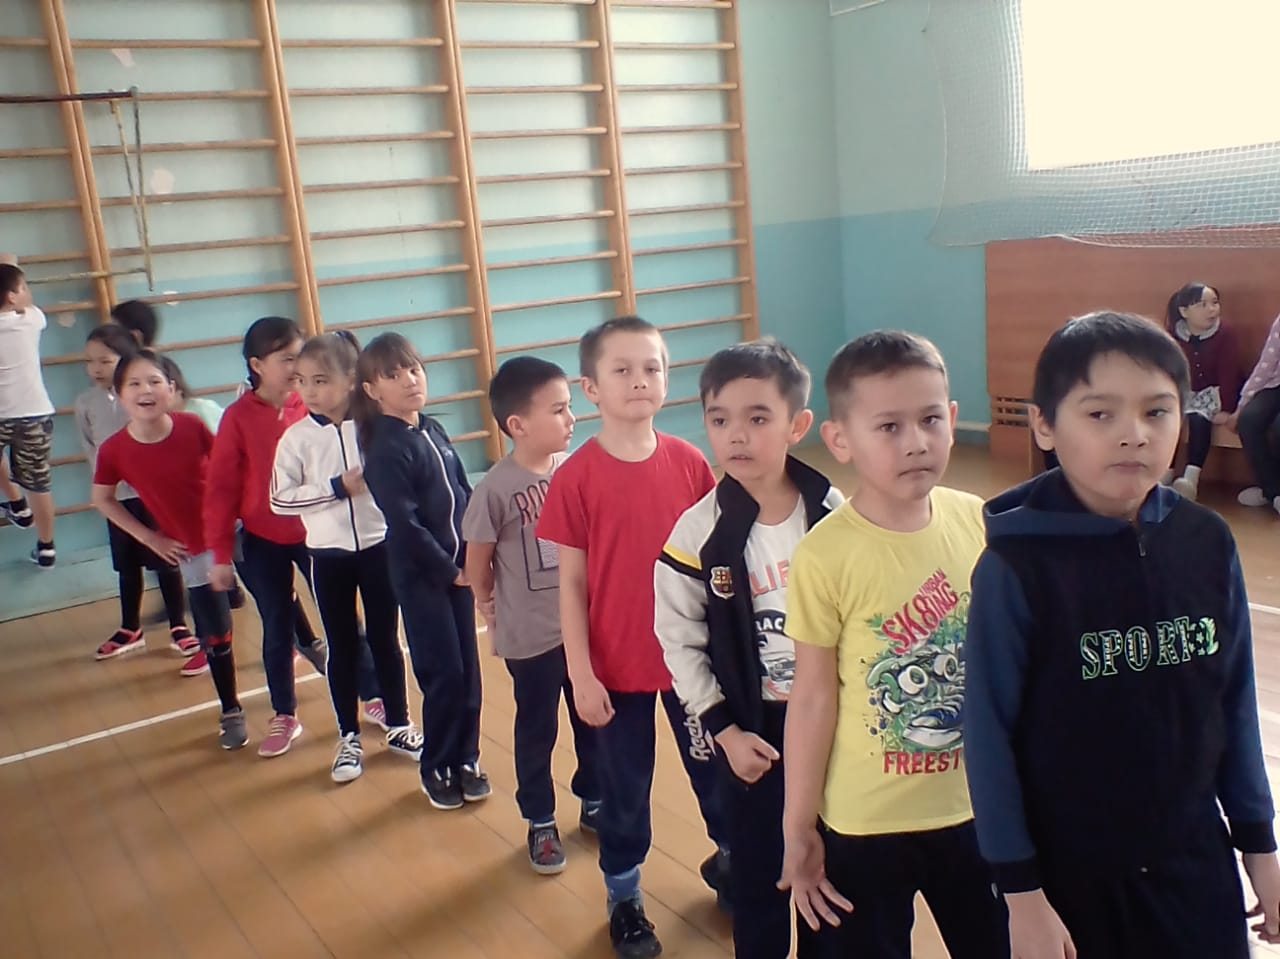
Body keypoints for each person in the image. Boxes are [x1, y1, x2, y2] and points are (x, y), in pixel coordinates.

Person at [965, 311, 1280, 958]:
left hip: (1195, 860)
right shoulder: (1015, 566)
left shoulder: (1205, 540)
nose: (1134, 434)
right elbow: (988, 736)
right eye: (1100, 414)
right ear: (1045, 425)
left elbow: (1233, 701)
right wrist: (1021, 892)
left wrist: (1259, 845)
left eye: (1156, 412)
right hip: (1071, 876)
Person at [781, 331, 1008, 959]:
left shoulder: (978, 521)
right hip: (864, 824)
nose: (916, 441)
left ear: (953, 419)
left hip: (976, 811)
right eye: (889, 427)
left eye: (931, 419)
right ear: (840, 440)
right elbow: (813, 698)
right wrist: (798, 825)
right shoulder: (824, 555)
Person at [537, 316, 729, 959]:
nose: (640, 380)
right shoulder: (576, 476)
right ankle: (624, 896)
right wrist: (580, 673)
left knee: (717, 776)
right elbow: (570, 585)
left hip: (691, 667)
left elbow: (713, 562)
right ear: (591, 388)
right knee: (624, 792)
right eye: (622, 369)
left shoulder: (690, 463)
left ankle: (734, 861)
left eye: (652, 367)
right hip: (614, 671)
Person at [655, 339, 843, 959]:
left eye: (758, 418)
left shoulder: (832, 513)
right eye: (719, 419)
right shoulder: (696, 532)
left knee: (831, 875)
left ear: (797, 425)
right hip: (752, 735)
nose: (736, 435)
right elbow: (678, 639)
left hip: (832, 727)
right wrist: (725, 729)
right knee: (759, 880)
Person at [462, 356, 599, 874]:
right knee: (537, 730)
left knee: (592, 721)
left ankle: (595, 798)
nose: (571, 419)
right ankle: (540, 818)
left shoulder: (575, 470)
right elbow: (476, 561)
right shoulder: (496, 488)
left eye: (569, 407)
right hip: (531, 638)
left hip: (581, 632)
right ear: (518, 425)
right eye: (558, 410)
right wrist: (488, 603)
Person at [271, 331, 423, 783]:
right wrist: (337, 488)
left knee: (386, 639)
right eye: (301, 381)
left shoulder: (377, 427)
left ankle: (399, 724)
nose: (309, 391)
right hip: (328, 556)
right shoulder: (295, 439)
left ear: (352, 381)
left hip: (379, 548)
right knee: (341, 645)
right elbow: (279, 499)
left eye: (320, 380)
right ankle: (348, 736)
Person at [358, 333, 489, 810]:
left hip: (459, 571)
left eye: (414, 369)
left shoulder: (432, 429)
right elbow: (405, 523)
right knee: (443, 674)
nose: (410, 380)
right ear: (372, 390)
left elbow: (463, 493)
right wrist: (449, 570)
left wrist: (475, 552)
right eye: (393, 375)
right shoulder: (384, 448)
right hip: (423, 578)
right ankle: (437, 765)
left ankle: (467, 758)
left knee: (468, 672)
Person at [91, 349, 247, 749]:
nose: (146, 390)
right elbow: (102, 499)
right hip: (192, 550)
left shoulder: (192, 425)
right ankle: (231, 709)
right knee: (217, 634)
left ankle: (312, 647)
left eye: (154, 381)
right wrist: (150, 538)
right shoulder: (114, 450)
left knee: (282, 605)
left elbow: (228, 466)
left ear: (172, 388)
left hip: (235, 530)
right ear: (119, 395)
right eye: (134, 384)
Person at [205, 317, 327, 759]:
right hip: (262, 539)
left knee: (339, 616)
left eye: (300, 356)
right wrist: (221, 555)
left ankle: (373, 694)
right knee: (277, 626)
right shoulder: (237, 418)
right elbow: (221, 490)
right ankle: (284, 713)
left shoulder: (314, 405)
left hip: (317, 533)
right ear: (257, 365)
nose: (297, 367)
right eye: (286, 359)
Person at [75, 324, 198, 665]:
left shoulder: (144, 398)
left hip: (156, 496)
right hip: (118, 499)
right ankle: (131, 627)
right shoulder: (86, 403)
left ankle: (178, 625)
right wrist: (106, 485)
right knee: (128, 566)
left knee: (167, 560)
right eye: (90, 361)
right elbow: (91, 448)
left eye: (105, 361)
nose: (96, 368)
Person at [0, 260, 56, 567]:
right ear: (12, 296)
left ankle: (17, 504)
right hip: (34, 414)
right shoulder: (32, 319)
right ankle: (47, 547)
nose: (28, 293)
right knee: (38, 483)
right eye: (24, 288)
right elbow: (9, 263)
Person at [1163, 282, 1242, 500]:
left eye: (1215, 303)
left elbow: (1229, 374)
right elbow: (1168, 372)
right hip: (1186, 392)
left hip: (1216, 392)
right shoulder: (1173, 335)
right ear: (1184, 311)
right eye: (1202, 305)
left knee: (1199, 419)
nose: (1211, 310)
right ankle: (1165, 472)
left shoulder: (1225, 333)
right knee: (1168, 417)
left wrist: (1226, 409)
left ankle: (1191, 479)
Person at [1228, 311, 1280, 513]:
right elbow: (1265, 365)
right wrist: (1242, 404)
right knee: (1249, 420)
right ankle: (1272, 491)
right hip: (1276, 384)